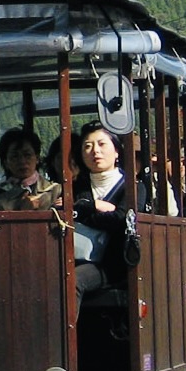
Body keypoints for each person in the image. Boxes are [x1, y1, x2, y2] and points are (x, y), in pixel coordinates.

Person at [72, 121, 151, 311]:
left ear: (117, 152)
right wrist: (96, 208)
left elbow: (124, 220)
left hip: (112, 265)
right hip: (76, 257)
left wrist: (85, 210)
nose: (94, 151)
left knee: (72, 280)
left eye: (101, 144)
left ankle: (63, 340)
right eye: (88, 146)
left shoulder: (133, 186)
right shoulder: (77, 187)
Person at [0, 128, 61, 211]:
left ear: (37, 158)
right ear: (6, 162)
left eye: (27, 155)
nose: (22, 161)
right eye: (15, 156)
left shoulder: (55, 191)